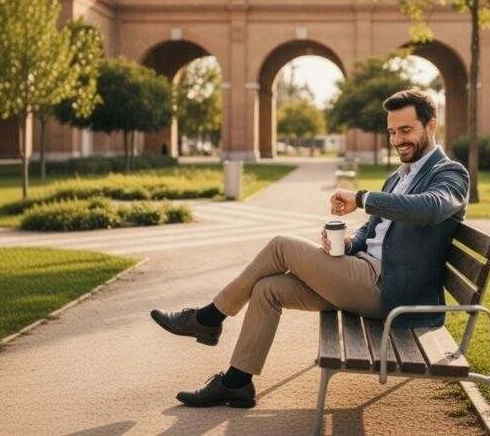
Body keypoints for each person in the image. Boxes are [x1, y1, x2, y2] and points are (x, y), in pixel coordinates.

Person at [149, 89, 470, 408]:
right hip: (361, 275)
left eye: (406, 130)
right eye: (391, 131)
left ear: (431, 125)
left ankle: (209, 316)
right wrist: (347, 243)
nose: (398, 139)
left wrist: (361, 198)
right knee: (267, 288)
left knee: (280, 247)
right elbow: (372, 233)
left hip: (392, 294)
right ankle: (237, 383)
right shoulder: (396, 177)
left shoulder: (450, 174)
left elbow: (429, 209)